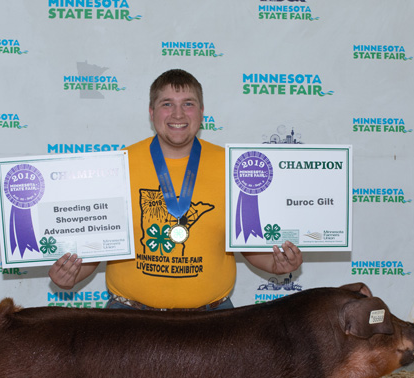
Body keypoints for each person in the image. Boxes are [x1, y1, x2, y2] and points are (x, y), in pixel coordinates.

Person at [49, 69, 303, 309]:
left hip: (211, 318)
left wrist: (277, 264)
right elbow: (98, 242)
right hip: (130, 317)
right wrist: (70, 275)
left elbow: (248, 242)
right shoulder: (118, 166)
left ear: (202, 112)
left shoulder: (233, 168)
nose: (178, 114)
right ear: (151, 112)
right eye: (167, 104)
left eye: (188, 104)